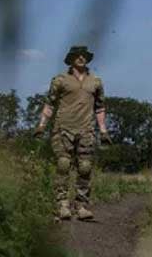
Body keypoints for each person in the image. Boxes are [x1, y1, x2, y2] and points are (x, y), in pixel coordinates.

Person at [33, 44, 110, 221]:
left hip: (87, 130)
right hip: (63, 128)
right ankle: (62, 205)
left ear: (87, 58)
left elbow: (100, 107)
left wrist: (103, 131)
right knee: (63, 164)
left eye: (84, 55)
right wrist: (42, 125)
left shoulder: (96, 81)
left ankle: (82, 206)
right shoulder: (60, 80)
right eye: (77, 55)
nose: (81, 57)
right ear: (71, 58)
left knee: (85, 167)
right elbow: (50, 103)